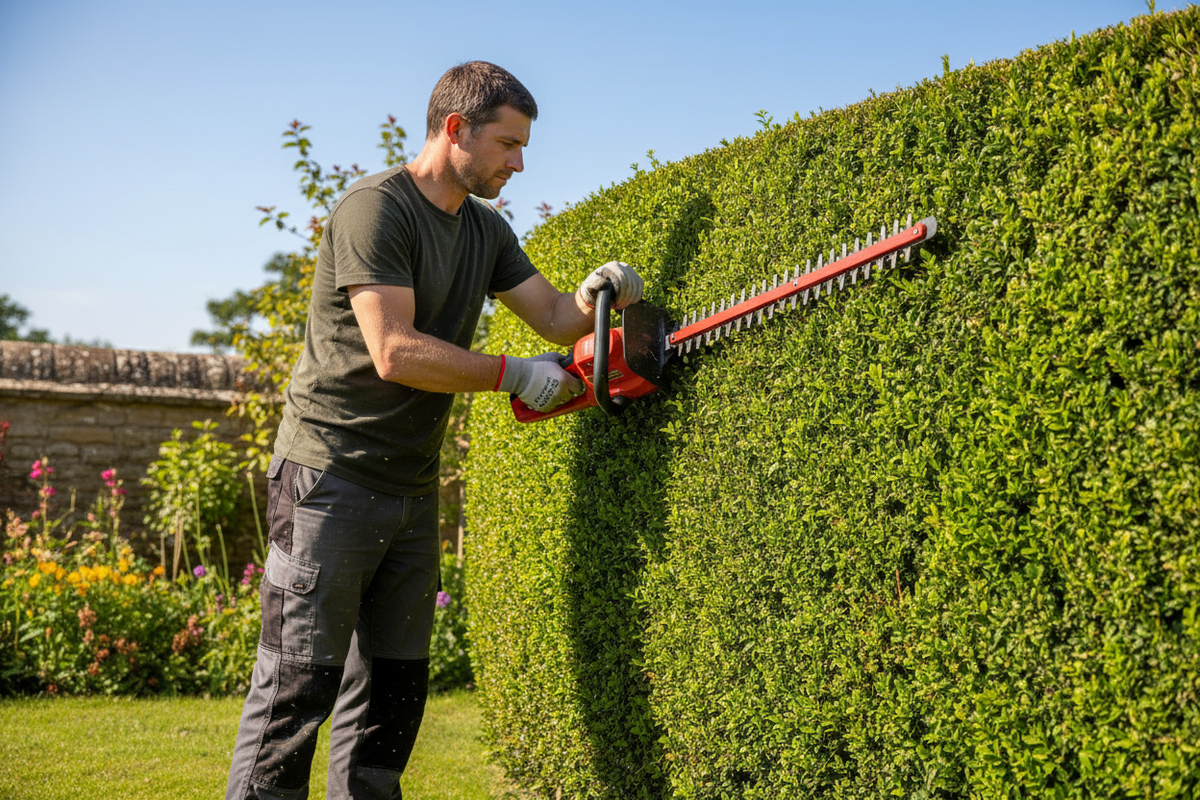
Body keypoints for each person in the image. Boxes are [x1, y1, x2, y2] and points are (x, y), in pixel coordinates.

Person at [224, 61, 643, 800]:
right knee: (297, 685)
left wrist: (595, 296)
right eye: (508, 144)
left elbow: (554, 318)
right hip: (328, 477)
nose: (519, 164)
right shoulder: (375, 210)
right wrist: (512, 375)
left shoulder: (486, 230)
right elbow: (395, 350)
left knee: (392, 695)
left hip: (409, 489)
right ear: (456, 129)